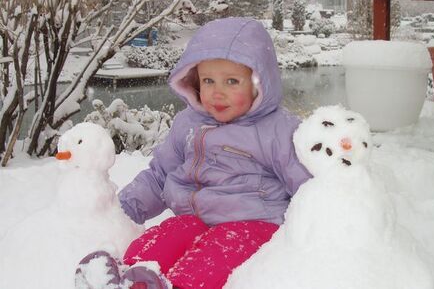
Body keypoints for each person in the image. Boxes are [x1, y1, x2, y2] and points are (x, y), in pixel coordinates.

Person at [75, 17, 312, 289]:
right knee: (168, 234)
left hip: (252, 224)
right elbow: (161, 175)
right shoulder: (189, 123)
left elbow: (307, 185)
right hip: (194, 219)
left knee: (212, 257)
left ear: (259, 84)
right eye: (208, 80)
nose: (217, 93)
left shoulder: (279, 129)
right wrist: (121, 210)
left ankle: (179, 286)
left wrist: (319, 230)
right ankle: (130, 275)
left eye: (232, 81)